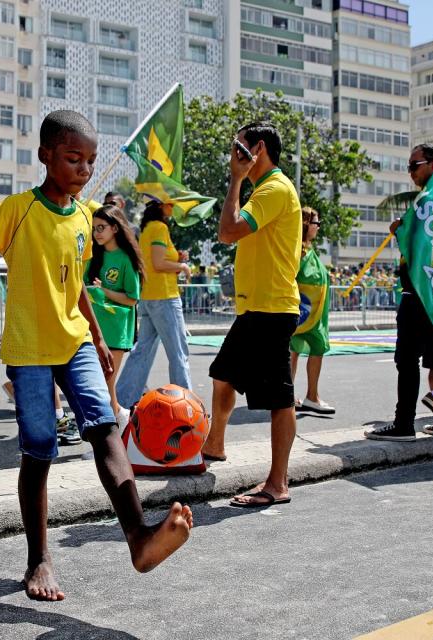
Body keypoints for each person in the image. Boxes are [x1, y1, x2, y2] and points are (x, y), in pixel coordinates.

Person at [0, 110, 192, 601]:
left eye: (91, 160)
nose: (83, 169)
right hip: (30, 350)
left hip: (74, 342)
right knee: (39, 451)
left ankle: (139, 536)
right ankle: (38, 559)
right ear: (46, 157)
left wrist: (97, 337)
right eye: (73, 158)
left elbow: (74, 285)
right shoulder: (19, 209)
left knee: (103, 429)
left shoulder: (83, 216)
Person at [200, 123, 301, 509]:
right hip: (256, 308)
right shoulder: (265, 191)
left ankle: (278, 483)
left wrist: (235, 179)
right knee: (222, 374)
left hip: (272, 309)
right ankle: (215, 445)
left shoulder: (274, 189)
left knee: (279, 398)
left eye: (238, 146)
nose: (233, 154)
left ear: (258, 148)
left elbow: (227, 231)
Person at [365, 143, 433, 442]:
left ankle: (404, 424)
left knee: (407, 360)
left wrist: (403, 229)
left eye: (413, 165)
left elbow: (430, 242)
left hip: (421, 293)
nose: (410, 173)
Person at [115, 200, 193, 410]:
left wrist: (177, 259)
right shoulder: (159, 228)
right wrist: (182, 266)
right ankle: (186, 406)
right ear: (160, 207)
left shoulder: (148, 229)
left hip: (149, 297)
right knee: (178, 352)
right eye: (170, 204)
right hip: (165, 297)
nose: (173, 206)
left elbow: (154, 261)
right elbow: (159, 264)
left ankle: (122, 400)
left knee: (142, 352)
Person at [86, 204, 145, 425]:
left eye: (101, 227)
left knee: (105, 386)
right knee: (102, 388)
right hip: (93, 329)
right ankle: (120, 426)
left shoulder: (126, 259)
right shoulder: (93, 256)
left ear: (115, 228)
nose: (97, 233)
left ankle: (111, 433)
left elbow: (132, 298)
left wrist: (104, 291)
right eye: (94, 229)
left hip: (116, 330)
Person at [291, 207, 335, 415]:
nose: (318, 227)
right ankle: (296, 395)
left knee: (311, 349)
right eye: (316, 223)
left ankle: (310, 396)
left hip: (313, 313)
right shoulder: (295, 250)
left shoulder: (307, 250)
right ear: (306, 224)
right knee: (293, 350)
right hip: (301, 311)